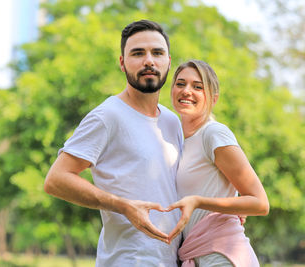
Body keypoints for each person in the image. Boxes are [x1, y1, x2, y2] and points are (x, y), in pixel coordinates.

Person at [44, 20, 183, 266]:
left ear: (168, 62)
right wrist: (123, 206)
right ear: (122, 63)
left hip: (172, 260)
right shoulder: (108, 116)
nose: (149, 61)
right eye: (138, 53)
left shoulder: (173, 121)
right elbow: (56, 180)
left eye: (157, 53)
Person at [166, 59, 269, 266]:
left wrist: (199, 202)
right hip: (196, 255)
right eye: (180, 83)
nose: (187, 91)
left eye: (198, 87)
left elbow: (260, 203)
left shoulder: (213, 133)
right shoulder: (179, 142)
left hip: (222, 256)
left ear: (213, 98)